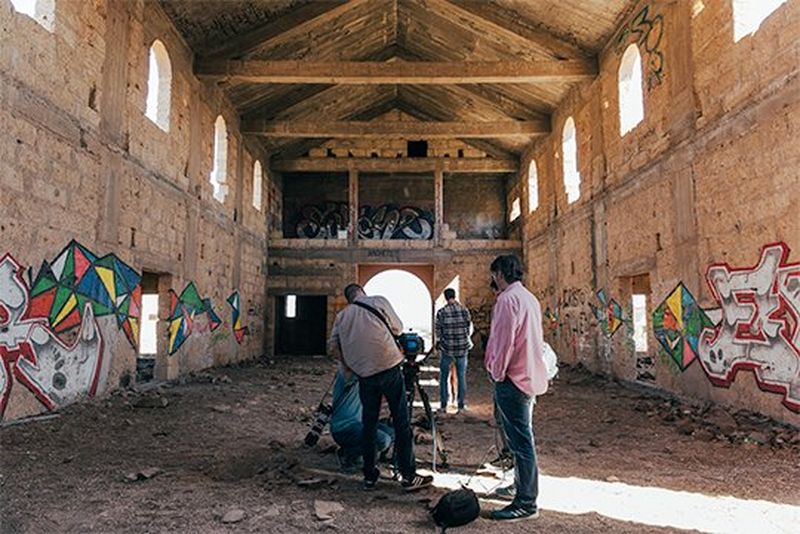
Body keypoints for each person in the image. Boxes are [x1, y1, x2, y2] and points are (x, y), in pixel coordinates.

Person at [328, 283, 433, 492]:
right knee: (401, 422)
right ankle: (408, 476)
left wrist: (350, 366)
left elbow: (333, 347)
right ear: (362, 292)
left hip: (365, 375)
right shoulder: (377, 301)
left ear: (349, 299)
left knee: (369, 423)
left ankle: (369, 476)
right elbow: (398, 328)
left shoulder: (342, 316)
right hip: (389, 367)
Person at [484, 255, 549, 521]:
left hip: (512, 379)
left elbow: (504, 343)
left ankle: (526, 502)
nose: (493, 280)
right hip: (528, 376)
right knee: (521, 439)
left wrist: (496, 374)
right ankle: (520, 487)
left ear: (500, 273)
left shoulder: (507, 300)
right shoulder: (529, 298)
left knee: (521, 442)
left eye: (493, 274)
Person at [330, 365, 394, 473]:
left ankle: (375, 455)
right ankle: (349, 454)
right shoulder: (349, 372)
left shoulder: (364, 374)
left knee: (394, 434)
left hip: (360, 423)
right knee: (383, 440)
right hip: (344, 428)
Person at [435, 288, 473, 413]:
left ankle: (443, 405)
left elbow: (439, 332)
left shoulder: (441, 312)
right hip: (462, 349)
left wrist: (440, 343)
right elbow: (468, 329)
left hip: (447, 349)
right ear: (454, 296)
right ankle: (461, 405)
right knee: (461, 377)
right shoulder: (464, 311)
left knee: (444, 377)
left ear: (445, 297)